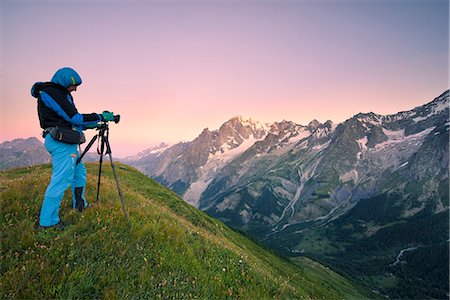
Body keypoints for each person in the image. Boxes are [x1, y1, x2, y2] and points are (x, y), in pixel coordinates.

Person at [31, 67, 115, 230]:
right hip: (61, 143)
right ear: (65, 81)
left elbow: (69, 122)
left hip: (66, 141)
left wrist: (93, 125)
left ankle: (79, 205)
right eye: (74, 85)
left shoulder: (60, 94)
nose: (75, 89)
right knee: (61, 180)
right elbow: (73, 117)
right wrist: (100, 116)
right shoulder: (52, 93)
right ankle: (47, 223)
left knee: (79, 174)